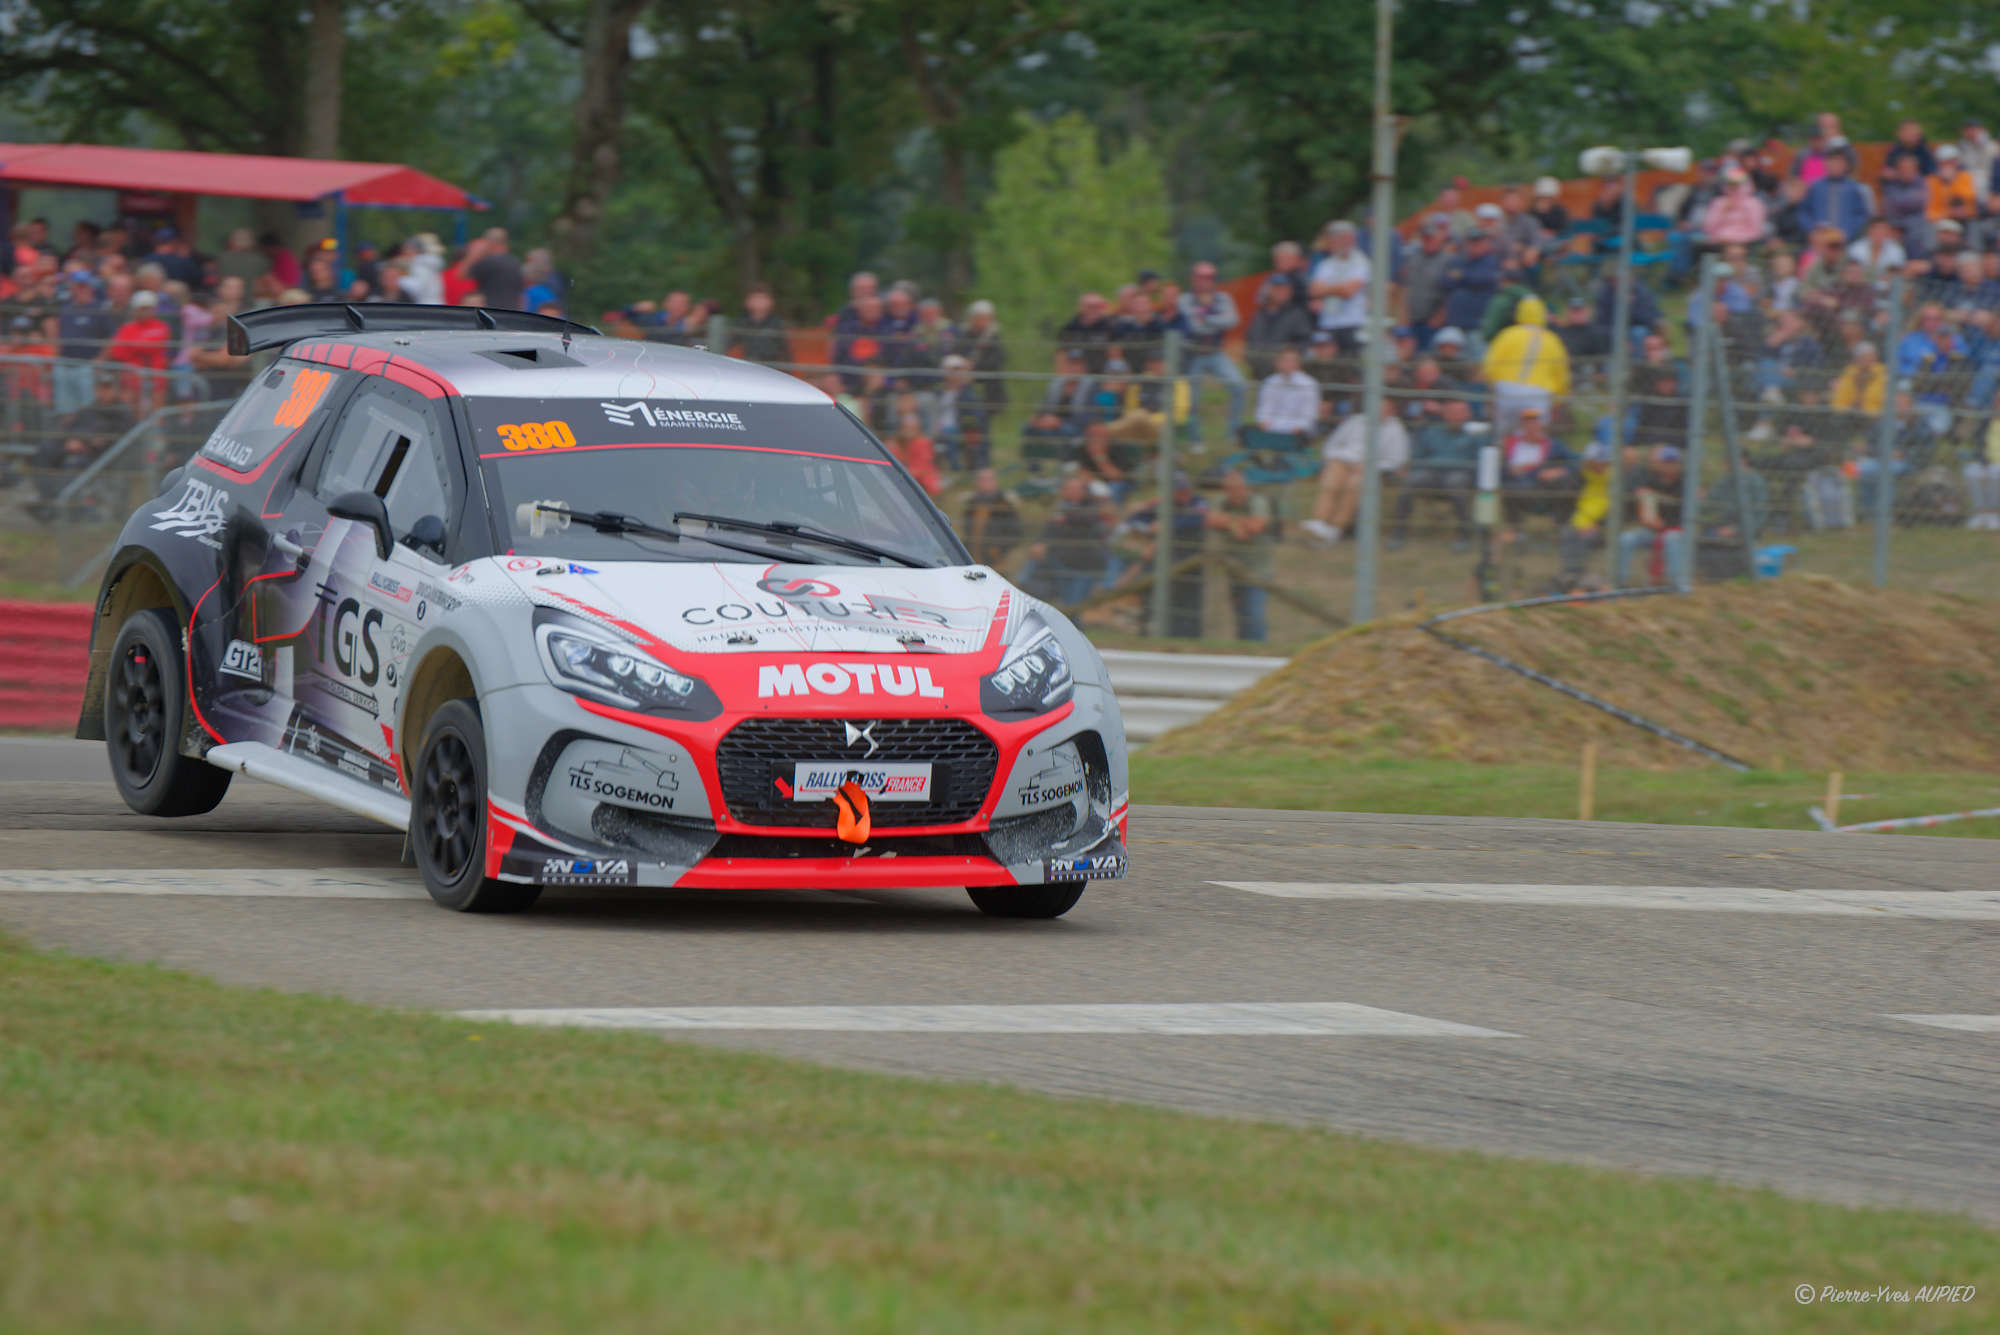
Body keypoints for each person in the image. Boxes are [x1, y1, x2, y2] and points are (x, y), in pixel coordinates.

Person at [1302, 397, 1409, 545]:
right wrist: (1336, 458)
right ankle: (1319, 521)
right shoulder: (1355, 421)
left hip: (1369, 469)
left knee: (1354, 486)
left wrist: (1371, 466)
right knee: (1331, 480)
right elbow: (1332, 444)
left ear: (1391, 411)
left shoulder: (1396, 430)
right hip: (1343, 460)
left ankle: (1336, 527)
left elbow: (1396, 460)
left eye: (1383, 408)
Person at [1392, 395, 1481, 548]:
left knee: (1456, 483)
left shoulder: (1477, 435)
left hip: (1460, 474)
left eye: (1460, 413)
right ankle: (1399, 532)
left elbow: (1480, 462)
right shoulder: (1431, 432)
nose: (1456, 416)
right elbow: (1417, 456)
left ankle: (1464, 534)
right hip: (1431, 472)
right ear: (1444, 414)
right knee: (1410, 482)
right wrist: (1408, 469)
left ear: (1468, 415)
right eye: (1452, 412)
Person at [1481, 295, 1570, 433]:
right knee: (1532, 435)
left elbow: (1489, 366)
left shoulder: (1507, 335)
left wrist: (1493, 387)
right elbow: (1561, 375)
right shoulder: (1553, 340)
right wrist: (1558, 402)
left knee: (1503, 434)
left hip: (1506, 390)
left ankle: (1502, 453)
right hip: (1538, 394)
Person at [1204, 470, 1276, 641]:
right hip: (1233, 569)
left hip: (1258, 570)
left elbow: (1258, 525)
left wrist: (1228, 522)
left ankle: (1257, 650)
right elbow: (1210, 518)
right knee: (1241, 614)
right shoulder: (1221, 501)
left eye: (1238, 488)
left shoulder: (1258, 501)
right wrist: (1235, 525)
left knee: (1254, 615)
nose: (1234, 492)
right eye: (1229, 489)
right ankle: (1245, 649)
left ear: (1246, 487)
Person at [1177, 261, 1244, 443]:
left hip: (1216, 352)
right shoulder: (1184, 299)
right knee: (1192, 399)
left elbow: (1233, 320)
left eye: (1210, 277)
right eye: (1201, 277)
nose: (1206, 281)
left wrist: (1205, 317)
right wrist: (1214, 319)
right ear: (1193, 279)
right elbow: (1192, 325)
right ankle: (1195, 440)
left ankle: (1233, 434)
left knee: (1238, 385)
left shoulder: (1223, 298)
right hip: (1193, 354)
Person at [1026, 473, 1116, 607]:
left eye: (1077, 489)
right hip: (1062, 561)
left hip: (1086, 563)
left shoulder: (1093, 507)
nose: (1073, 492)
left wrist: (1067, 517)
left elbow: (1093, 521)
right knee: (1065, 602)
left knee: (1074, 605)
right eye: (1070, 489)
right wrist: (1040, 543)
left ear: (1084, 492)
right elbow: (1049, 530)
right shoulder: (1061, 508)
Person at [1614, 445, 1687, 585]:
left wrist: (1663, 524)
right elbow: (1644, 511)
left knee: (1671, 538)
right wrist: (1647, 517)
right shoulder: (1651, 480)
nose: (1669, 466)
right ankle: (1619, 584)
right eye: (1665, 462)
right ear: (1659, 464)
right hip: (1653, 530)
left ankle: (1675, 585)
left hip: (1677, 530)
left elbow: (1685, 518)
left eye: (1673, 462)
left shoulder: (1686, 483)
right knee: (1626, 538)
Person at [1308, 221, 1370, 353]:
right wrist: (1339, 288)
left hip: (1352, 324)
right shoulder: (1325, 264)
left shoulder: (1361, 262)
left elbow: (1349, 291)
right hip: (1328, 324)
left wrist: (1326, 289)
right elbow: (1314, 290)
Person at [1244, 277, 1313, 380]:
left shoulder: (1296, 314)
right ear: (1268, 291)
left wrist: (1286, 359)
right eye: (1277, 289)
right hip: (1259, 369)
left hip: (1286, 372)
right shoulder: (1259, 314)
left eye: (1284, 289)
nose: (1281, 293)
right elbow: (1250, 339)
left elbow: (1303, 342)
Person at [959, 468, 1024, 565]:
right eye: (982, 480)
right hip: (972, 556)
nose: (986, 483)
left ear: (995, 481)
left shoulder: (1004, 504)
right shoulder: (972, 503)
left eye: (989, 480)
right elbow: (966, 528)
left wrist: (999, 550)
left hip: (997, 559)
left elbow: (1016, 532)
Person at [1253, 345, 1320, 438]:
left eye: (1293, 360)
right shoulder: (1269, 382)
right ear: (1277, 362)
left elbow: (1309, 415)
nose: (1289, 364)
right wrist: (1264, 424)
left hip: (1299, 431)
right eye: (1285, 360)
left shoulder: (1309, 384)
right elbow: (1264, 410)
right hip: (1272, 428)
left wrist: (1298, 428)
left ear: (1298, 363)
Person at [468, 227, 524, 310]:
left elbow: (462, 274)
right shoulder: (515, 262)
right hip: (511, 310)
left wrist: (474, 254)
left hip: (491, 310)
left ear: (489, 242)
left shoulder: (487, 262)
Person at [733, 283, 790, 364]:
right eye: (755, 299)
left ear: (770, 302)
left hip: (771, 366)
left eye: (762, 299)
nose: (759, 303)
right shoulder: (742, 323)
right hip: (748, 364)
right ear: (747, 302)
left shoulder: (776, 324)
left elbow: (785, 349)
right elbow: (729, 343)